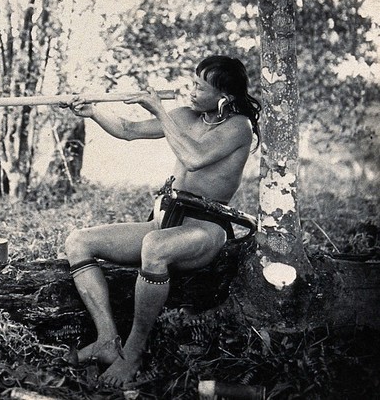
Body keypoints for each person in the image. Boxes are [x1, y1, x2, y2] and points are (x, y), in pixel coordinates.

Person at [63, 55, 261, 387]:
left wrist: (159, 111)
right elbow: (127, 131)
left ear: (224, 95)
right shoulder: (185, 116)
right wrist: (93, 112)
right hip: (167, 221)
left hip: (206, 229)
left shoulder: (239, 126)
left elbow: (194, 158)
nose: (192, 91)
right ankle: (107, 339)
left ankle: (134, 352)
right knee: (78, 240)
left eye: (200, 86)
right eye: (193, 82)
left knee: (154, 247)